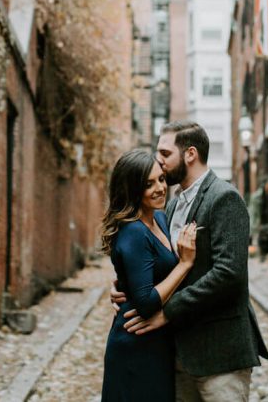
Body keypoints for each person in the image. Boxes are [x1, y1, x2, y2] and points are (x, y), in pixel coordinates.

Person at [114, 121, 268, 401]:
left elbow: (229, 274)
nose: (158, 162)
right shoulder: (169, 206)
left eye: (164, 153)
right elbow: (158, 262)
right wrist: (126, 286)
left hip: (219, 353)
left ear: (190, 154)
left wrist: (167, 312)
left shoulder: (224, 198)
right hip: (179, 354)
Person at [100, 149, 199, 402]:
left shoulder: (159, 218)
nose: (159, 188)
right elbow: (145, 303)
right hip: (136, 344)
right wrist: (184, 264)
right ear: (132, 190)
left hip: (157, 343)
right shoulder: (134, 231)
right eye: (148, 184)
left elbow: (146, 272)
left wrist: (121, 283)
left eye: (161, 180)